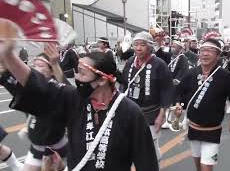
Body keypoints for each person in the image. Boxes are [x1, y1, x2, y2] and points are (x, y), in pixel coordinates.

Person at [0, 20, 158, 171]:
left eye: (82, 74)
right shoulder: (75, 99)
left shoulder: (130, 112)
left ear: (102, 80)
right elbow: (39, 86)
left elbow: (146, 162)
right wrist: (9, 56)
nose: (77, 78)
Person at [175, 38, 230, 171]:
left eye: (210, 51)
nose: (205, 54)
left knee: (206, 167)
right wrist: (179, 104)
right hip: (193, 128)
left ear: (218, 55)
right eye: (203, 50)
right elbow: (180, 91)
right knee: (198, 164)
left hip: (212, 131)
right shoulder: (191, 73)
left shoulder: (226, 76)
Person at [1, 45, 68, 171]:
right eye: (35, 65)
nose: (36, 68)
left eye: (41, 66)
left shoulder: (57, 90)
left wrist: (55, 64)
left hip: (56, 146)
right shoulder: (32, 87)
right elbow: (10, 77)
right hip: (37, 145)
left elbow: (63, 85)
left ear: (51, 70)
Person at [121, 31, 173, 161]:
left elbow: (166, 90)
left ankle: (154, 163)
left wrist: (161, 116)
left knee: (149, 145)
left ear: (150, 46)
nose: (138, 48)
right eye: (136, 44)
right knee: (136, 145)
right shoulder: (130, 62)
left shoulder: (160, 64)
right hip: (132, 112)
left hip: (152, 112)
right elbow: (124, 85)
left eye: (142, 45)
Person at [162, 40, 189, 129]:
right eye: (172, 46)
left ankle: (183, 119)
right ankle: (167, 120)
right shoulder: (168, 56)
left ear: (180, 48)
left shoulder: (183, 58)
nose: (173, 48)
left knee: (178, 103)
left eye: (175, 46)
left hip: (177, 85)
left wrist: (177, 79)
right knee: (168, 103)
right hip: (168, 83)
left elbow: (183, 70)